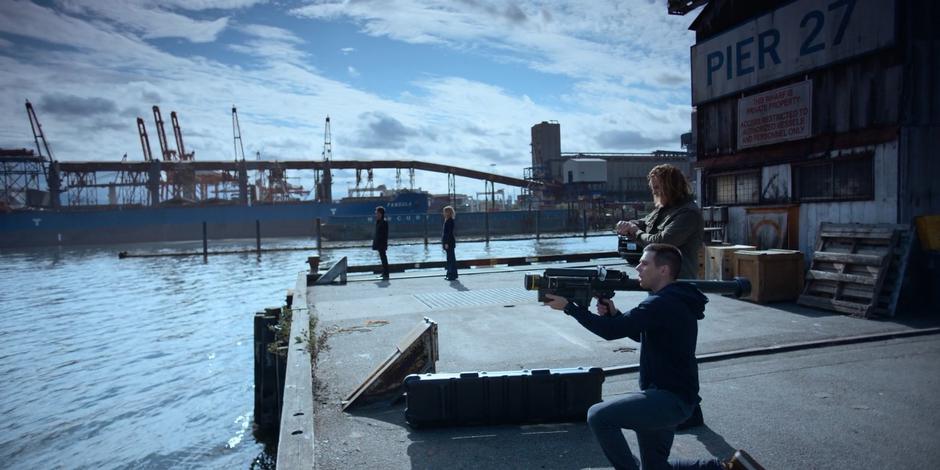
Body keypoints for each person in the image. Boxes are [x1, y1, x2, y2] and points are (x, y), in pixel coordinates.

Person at [543, 243, 764, 470]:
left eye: (644, 263)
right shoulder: (672, 300)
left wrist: (571, 308)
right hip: (670, 397)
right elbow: (642, 335)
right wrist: (615, 314)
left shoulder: (662, 303)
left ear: (664, 270)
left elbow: (610, 332)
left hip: (669, 400)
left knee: (599, 416)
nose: (638, 267)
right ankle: (730, 468)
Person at [616, 164, 704, 280]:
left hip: (677, 283)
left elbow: (661, 242)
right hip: (657, 281)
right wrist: (628, 224)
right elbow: (644, 222)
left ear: (671, 187)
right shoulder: (664, 208)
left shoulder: (688, 213)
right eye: (653, 188)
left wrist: (635, 231)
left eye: (657, 188)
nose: (654, 192)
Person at [372, 206, 389, 280]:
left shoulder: (384, 222)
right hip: (379, 243)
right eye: (376, 213)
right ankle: (384, 273)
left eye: (377, 213)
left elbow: (384, 235)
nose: (376, 214)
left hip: (382, 243)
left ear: (381, 214)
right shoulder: (378, 222)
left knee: (383, 258)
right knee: (382, 258)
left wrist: (382, 243)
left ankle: (386, 273)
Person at [441, 205, 458, 281]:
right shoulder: (448, 220)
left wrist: (446, 243)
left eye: (444, 212)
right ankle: (451, 274)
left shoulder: (449, 221)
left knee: (450, 259)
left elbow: (448, 233)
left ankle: (451, 275)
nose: (443, 213)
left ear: (448, 212)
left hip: (449, 242)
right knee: (450, 258)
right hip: (449, 242)